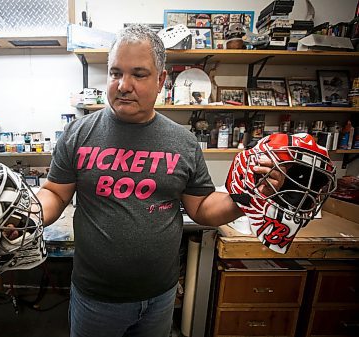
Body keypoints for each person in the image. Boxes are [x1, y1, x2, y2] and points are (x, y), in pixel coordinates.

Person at [36, 24, 284, 337]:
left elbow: (203, 208)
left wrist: (250, 195)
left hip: (159, 297)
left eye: (138, 74)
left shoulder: (183, 141)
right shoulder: (78, 134)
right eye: (115, 73)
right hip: (96, 299)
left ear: (161, 80)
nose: (124, 85)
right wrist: (29, 213)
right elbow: (55, 195)